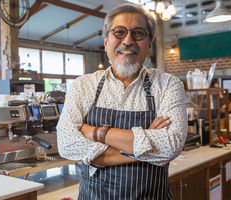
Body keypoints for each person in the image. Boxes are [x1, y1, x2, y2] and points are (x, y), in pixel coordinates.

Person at [56, 3, 187, 200]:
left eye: (139, 33)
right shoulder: (83, 85)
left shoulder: (168, 85)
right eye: (119, 32)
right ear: (106, 41)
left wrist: (96, 132)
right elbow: (67, 144)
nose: (128, 40)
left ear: (149, 45)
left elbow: (170, 146)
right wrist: (145, 148)